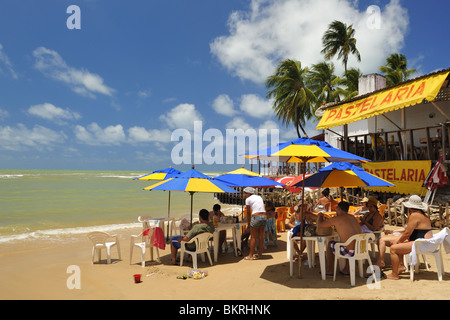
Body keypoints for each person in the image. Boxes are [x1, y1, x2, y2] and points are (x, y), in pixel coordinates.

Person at [385, 195, 432, 280]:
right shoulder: (423, 215)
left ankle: (394, 274)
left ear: (410, 207)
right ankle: (400, 267)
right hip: (424, 242)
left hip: (420, 243)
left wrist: (398, 242)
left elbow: (407, 233)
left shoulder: (414, 215)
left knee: (393, 248)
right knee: (398, 244)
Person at [317, 201, 362, 276]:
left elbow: (320, 225)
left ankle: (330, 270)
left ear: (339, 209)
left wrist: (320, 216)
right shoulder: (353, 217)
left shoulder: (337, 219)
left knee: (330, 244)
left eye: (336, 209)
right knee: (348, 242)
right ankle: (346, 269)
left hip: (349, 252)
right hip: (360, 249)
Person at [243, 187, 267, 260]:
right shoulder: (259, 197)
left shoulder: (248, 199)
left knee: (253, 237)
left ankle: (250, 255)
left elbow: (248, 212)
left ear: (248, 193)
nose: (244, 195)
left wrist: (249, 223)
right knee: (261, 236)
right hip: (264, 216)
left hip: (256, 216)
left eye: (244, 193)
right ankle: (260, 254)